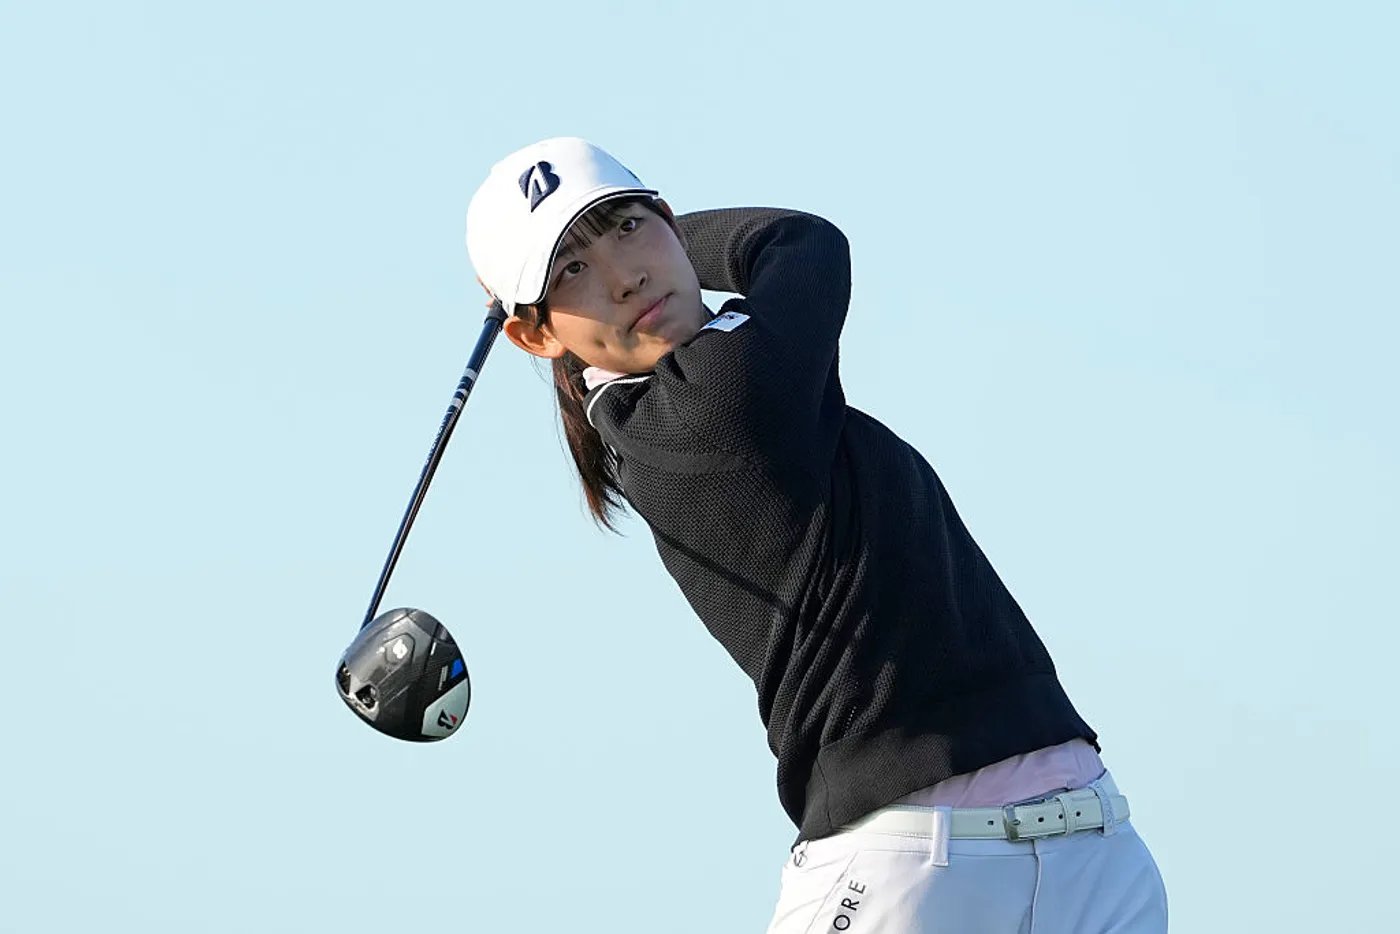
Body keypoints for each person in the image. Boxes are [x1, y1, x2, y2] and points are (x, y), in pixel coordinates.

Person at [464, 137, 1169, 933]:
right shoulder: (705, 405)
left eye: (626, 227)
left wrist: (646, 241)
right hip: (907, 874)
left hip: (1091, 847)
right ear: (534, 336)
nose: (623, 276)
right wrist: (669, 238)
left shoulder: (729, 386)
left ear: (664, 214)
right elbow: (800, 242)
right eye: (570, 271)